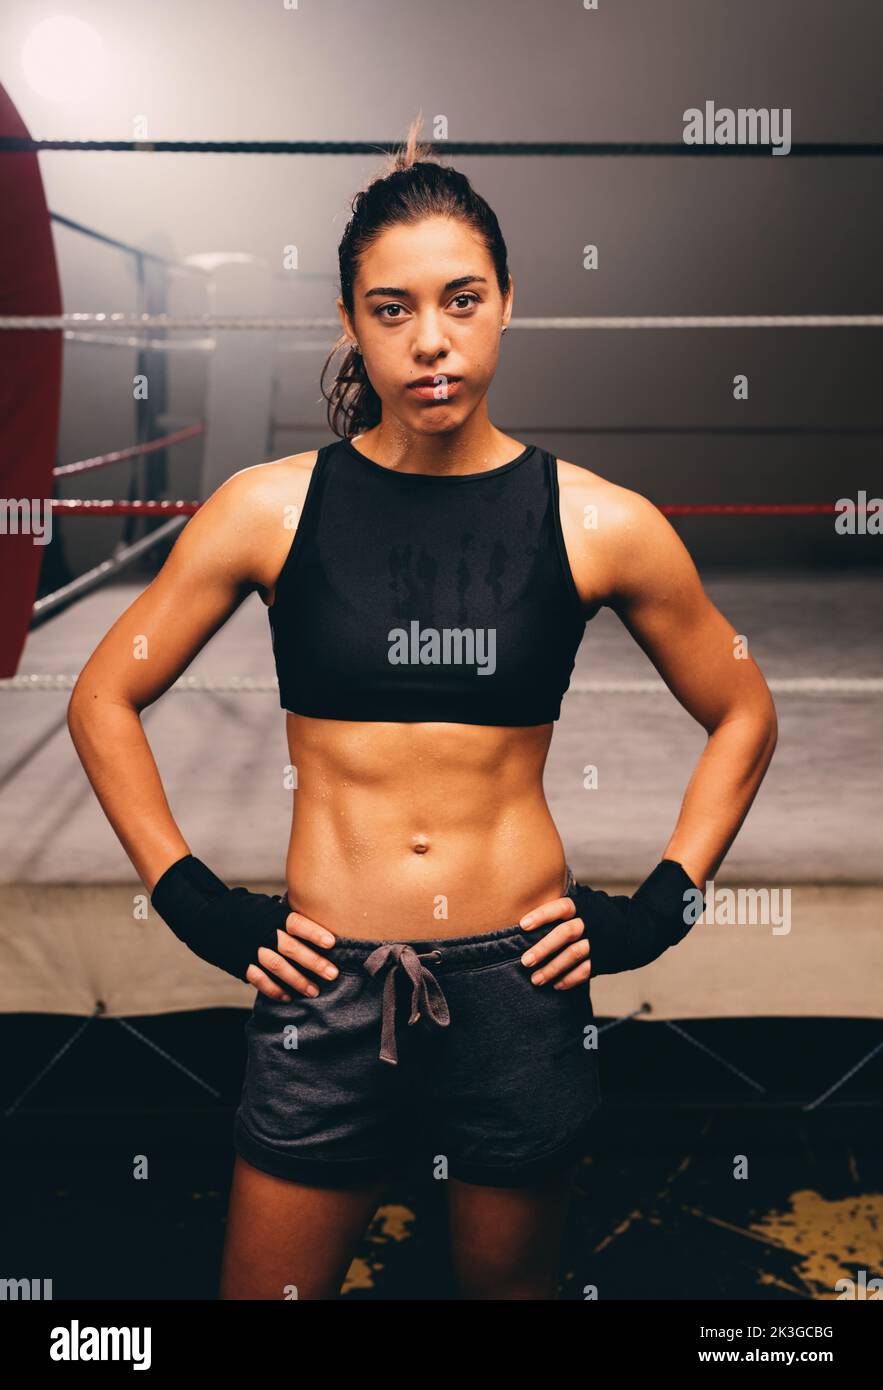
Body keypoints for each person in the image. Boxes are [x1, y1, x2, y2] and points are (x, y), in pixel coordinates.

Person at [67, 118, 778, 1301]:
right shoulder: (268, 509)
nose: (430, 341)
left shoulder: (599, 520)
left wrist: (661, 906)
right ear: (349, 323)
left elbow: (743, 710)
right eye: (390, 309)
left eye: (460, 299)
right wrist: (193, 902)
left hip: (521, 991)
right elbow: (104, 694)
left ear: (508, 302)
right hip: (320, 986)